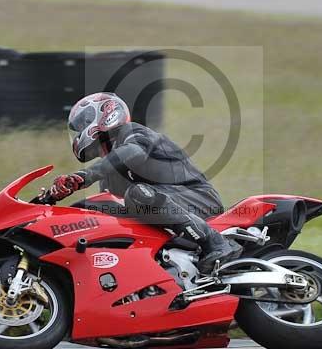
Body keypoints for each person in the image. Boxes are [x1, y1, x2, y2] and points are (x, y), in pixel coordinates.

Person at [48, 92, 241, 273]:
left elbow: (132, 153)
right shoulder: (108, 171)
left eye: (83, 125)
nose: (79, 133)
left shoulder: (132, 133)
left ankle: (217, 243)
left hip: (198, 199)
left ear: (105, 115)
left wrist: (85, 175)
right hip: (169, 208)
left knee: (138, 194)